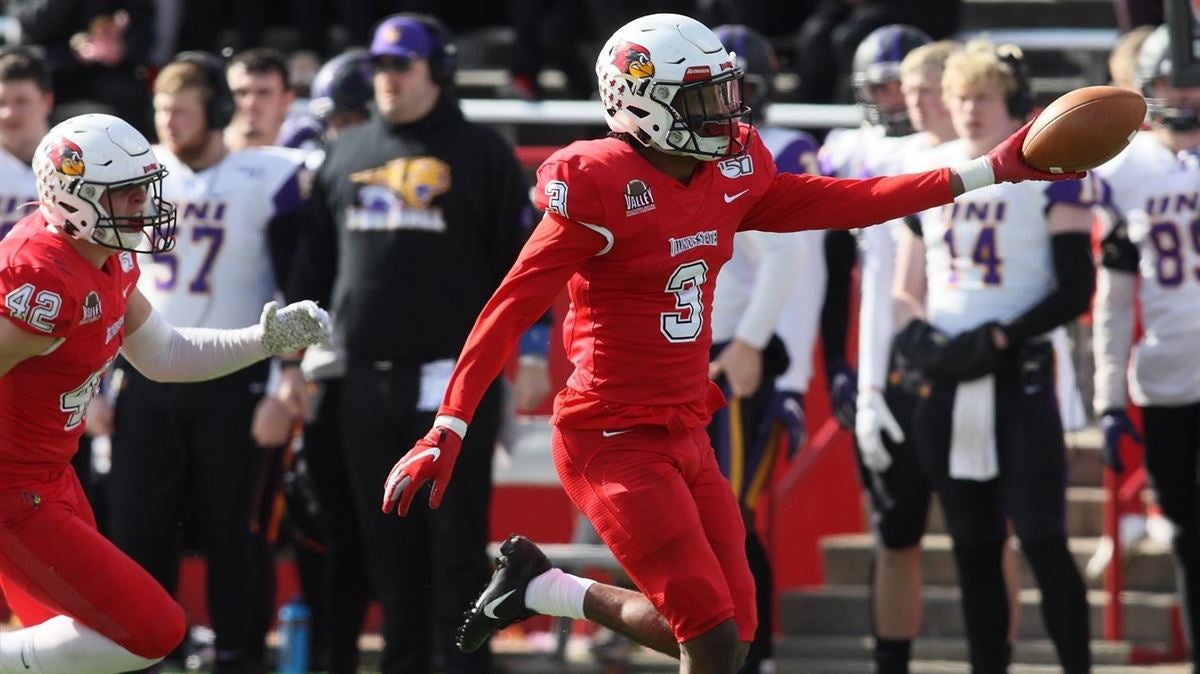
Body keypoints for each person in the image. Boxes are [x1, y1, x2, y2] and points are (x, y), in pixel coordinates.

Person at [377, 13, 1081, 674]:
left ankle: (542, 586)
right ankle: (540, 587)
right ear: (642, 101)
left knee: (734, 636)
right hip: (611, 436)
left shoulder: (731, 168)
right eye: (701, 99)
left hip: (687, 426)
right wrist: (449, 424)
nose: (724, 114)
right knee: (708, 636)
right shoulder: (598, 185)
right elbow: (508, 306)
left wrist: (993, 169)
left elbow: (857, 198)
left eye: (724, 95)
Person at [0, 112, 329, 674]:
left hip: (50, 475)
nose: (144, 208)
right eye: (126, 196)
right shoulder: (44, 280)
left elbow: (165, 355)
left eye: (142, 191)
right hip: (13, 489)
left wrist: (263, 339)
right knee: (150, 631)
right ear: (74, 198)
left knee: (72, 648)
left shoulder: (105, 254)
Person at [280, 13, 546, 674]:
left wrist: (535, 349)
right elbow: (311, 269)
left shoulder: (482, 153)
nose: (388, 78)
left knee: (457, 550)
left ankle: (463, 666)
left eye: (402, 64)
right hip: (364, 381)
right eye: (378, 66)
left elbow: (526, 264)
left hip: (454, 385)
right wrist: (288, 361)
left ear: (439, 70)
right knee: (387, 552)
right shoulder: (345, 153)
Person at [102, 51, 308, 674]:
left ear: (216, 111)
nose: (167, 124)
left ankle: (239, 655)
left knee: (235, 533)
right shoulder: (140, 171)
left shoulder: (272, 175)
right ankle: (147, 651)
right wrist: (102, 381)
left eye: (182, 111)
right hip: (146, 370)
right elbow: (109, 278)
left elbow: (294, 283)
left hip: (233, 371)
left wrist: (284, 376)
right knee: (139, 526)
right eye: (161, 110)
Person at [891, 41, 1094, 673]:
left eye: (982, 96)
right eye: (959, 97)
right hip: (949, 376)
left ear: (1009, 98)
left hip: (1018, 374)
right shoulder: (933, 169)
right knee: (974, 546)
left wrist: (1004, 336)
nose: (969, 111)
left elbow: (1075, 286)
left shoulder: (1050, 166)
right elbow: (905, 286)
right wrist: (916, 337)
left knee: (1042, 539)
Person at [707, 24, 824, 674]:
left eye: (736, 89)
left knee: (731, 514)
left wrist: (786, 367)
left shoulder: (775, 150)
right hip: (694, 347)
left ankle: (755, 655)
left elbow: (802, 268)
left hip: (738, 351)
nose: (724, 103)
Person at [1092, 24, 1200, 669]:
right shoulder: (1123, 169)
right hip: (1165, 377)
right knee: (1188, 534)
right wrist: (1107, 399)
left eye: (1192, 81)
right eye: (1170, 81)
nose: (1183, 93)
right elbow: (1112, 299)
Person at [272, 46, 376, 674]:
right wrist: (288, 363)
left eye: (346, 122)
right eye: (331, 123)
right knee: (320, 517)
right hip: (326, 370)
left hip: (398, 368)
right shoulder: (309, 166)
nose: (336, 135)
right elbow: (294, 269)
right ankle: (332, 656)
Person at [817, 23, 932, 434]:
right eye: (882, 87)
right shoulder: (847, 149)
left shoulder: (945, 149)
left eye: (903, 86)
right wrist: (836, 359)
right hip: (876, 322)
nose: (896, 99)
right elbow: (829, 262)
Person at [0, 46, 52, 239]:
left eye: (21, 101)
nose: (8, 113)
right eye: (1, 102)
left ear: (47, 101)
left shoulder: (76, 162)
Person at [225, 47, 296, 151]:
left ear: (287, 100)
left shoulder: (311, 162)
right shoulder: (199, 159)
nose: (250, 103)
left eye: (264, 93)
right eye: (241, 93)